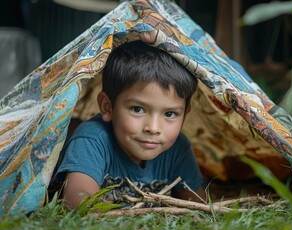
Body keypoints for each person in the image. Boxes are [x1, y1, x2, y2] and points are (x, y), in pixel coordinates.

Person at [51, 40, 206, 209]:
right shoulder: (91, 140)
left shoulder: (178, 149)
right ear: (107, 107)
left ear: (184, 116)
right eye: (137, 109)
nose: (153, 128)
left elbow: (199, 207)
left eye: (170, 114)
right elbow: (78, 205)